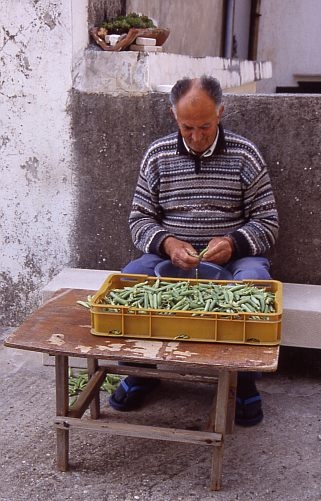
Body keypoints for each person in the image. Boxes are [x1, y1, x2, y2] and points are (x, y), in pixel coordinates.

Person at [109, 75, 279, 426]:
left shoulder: (245, 155)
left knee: (254, 284)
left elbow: (268, 222)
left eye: (205, 126)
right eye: (188, 127)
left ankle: (242, 379)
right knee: (130, 281)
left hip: (233, 260)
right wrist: (168, 243)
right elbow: (139, 219)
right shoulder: (157, 156)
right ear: (174, 116)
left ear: (221, 112)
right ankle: (142, 371)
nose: (197, 137)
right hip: (169, 257)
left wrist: (233, 243)